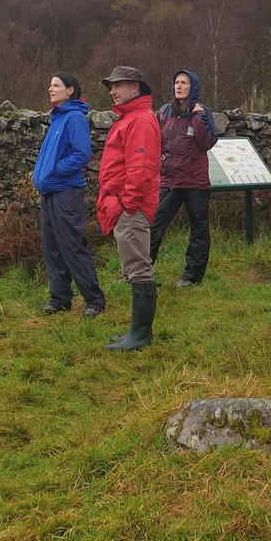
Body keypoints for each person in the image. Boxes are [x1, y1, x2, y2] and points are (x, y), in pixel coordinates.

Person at [96, 66, 161, 350]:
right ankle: (136, 332)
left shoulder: (140, 120)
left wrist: (127, 203)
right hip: (124, 204)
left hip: (131, 206)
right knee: (133, 265)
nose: (112, 91)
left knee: (138, 267)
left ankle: (141, 334)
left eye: (119, 85)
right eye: (111, 86)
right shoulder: (129, 118)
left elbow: (141, 166)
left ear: (136, 87)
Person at [32, 73, 105, 319]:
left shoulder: (74, 118)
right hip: (50, 192)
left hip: (66, 192)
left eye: (56, 85)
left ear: (70, 90)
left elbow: (81, 154)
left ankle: (94, 300)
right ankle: (60, 299)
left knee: (72, 246)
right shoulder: (58, 118)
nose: (50, 88)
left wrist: (55, 171)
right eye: (50, 84)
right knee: (52, 247)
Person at [148, 71, 219, 287]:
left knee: (199, 227)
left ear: (193, 87)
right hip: (168, 181)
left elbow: (208, 142)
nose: (179, 86)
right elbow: (154, 141)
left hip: (195, 182)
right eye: (176, 82)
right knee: (154, 225)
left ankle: (192, 276)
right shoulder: (164, 112)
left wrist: (197, 118)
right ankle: (141, 273)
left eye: (184, 83)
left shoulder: (203, 112)